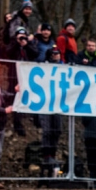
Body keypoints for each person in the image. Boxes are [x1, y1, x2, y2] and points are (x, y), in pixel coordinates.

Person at [6, 27, 37, 136]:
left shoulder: (29, 44)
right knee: (15, 99)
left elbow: (35, 54)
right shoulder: (13, 44)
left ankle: (33, 120)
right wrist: (16, 42)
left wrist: (26, 44)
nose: (22, 38)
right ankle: (16, 123)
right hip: (14, 76)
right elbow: (8, 53)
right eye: (20, 36)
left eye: (24, 35)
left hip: (27, 76)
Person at [39, 47, 65, 180]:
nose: (56, 55)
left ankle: (52, 155)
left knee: (57, 130)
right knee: (47, 131)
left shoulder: (64, 68)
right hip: (45, 103)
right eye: (54, 54)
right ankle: (46, 155)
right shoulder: (44, 66)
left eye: (58, 53)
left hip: (58, 104)